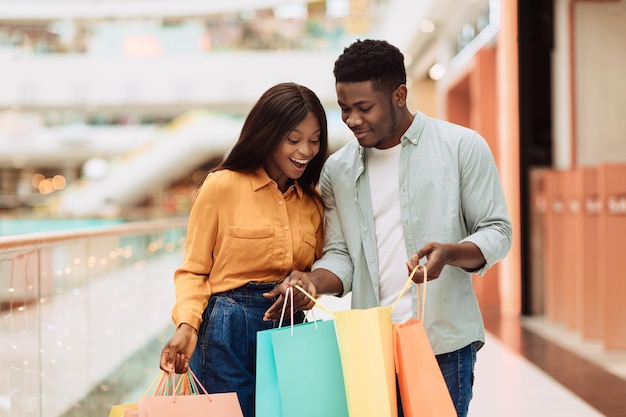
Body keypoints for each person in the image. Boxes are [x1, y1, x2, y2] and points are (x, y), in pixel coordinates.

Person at [264, 39, 513, 417]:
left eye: (364, 108)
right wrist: (313, 283)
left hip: (441, 345)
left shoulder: (462, 147)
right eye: (345, 108)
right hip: (369, 345)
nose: (352, 120)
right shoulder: (338, 170)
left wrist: (449, 254)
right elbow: (341, 255)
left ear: (399, 94)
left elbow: (497, 230)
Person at [159, 82, 328, 417]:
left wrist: (309, 288)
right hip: (226, 328)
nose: (306, 150)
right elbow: (194, 270)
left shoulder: (313, 203)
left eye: (314, 139)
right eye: (293, 139)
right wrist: (187, 325)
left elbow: (319, 271)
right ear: (267, 135)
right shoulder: (222, 186)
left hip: (290, 325)